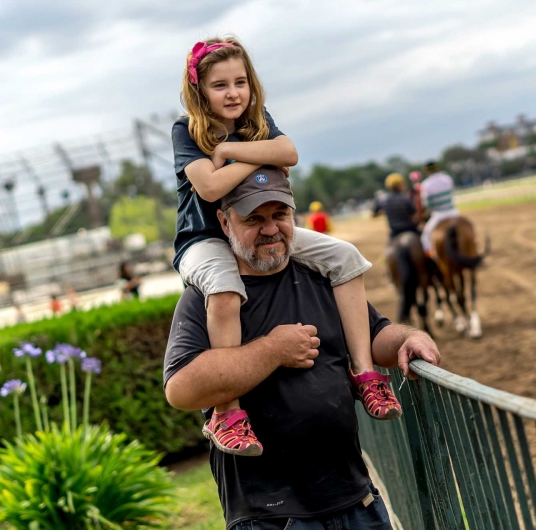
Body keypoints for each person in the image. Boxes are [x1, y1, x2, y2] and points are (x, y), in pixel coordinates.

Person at [163, 172, 441, 529]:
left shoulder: (322, 276)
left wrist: (407, 339)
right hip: (270, 517)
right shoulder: (207, 297)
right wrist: (272, 351)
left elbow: (374, 336)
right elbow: (181, 389)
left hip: (358, 500)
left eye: (280, 215)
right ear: (223, 221)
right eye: (254, 220)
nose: (270, 229)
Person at [171, 37, 400, 457]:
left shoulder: (257, 118)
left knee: (346, 257)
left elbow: (289, 153)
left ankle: (365, 374)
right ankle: (227, 411)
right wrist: (257, 156)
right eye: (220, 85)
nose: (233, 92)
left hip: (258, 227)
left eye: (240, 81)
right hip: (204, 238)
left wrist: (229, 151)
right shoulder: (188, 129)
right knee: (223, 287)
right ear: (199, 91)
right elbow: (208, 186)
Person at [419, 161, 460, 257]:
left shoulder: (426, 184)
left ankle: (432, 256)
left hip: (439, 215)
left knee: (425, 238)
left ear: (426, 171)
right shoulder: (447, 178)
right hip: (453, 212)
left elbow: (427, 204)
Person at [372, 173, 419, 240]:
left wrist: (382, 212)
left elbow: (373, 214)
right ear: (399, 185)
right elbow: (415, 216)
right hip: (409, 230)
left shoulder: (384, 200)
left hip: (394, 232)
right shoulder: (405, 199)